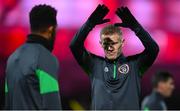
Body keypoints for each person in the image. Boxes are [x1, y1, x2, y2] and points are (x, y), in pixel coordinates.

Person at [70, 4, 159, 110]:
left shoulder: (135, 65)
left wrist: (135, 26)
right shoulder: (94, 64)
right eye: (106, 44)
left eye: (114, 43)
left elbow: (154, 50)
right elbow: (74, 46)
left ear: (122, 43)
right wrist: (89, 24)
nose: (109, 48)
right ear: (101, 44)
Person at [5, 4, 61, 110]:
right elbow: (52, 105)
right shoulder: (46, 59)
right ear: (51, 30)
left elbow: (8, 105)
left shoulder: (12, 59)